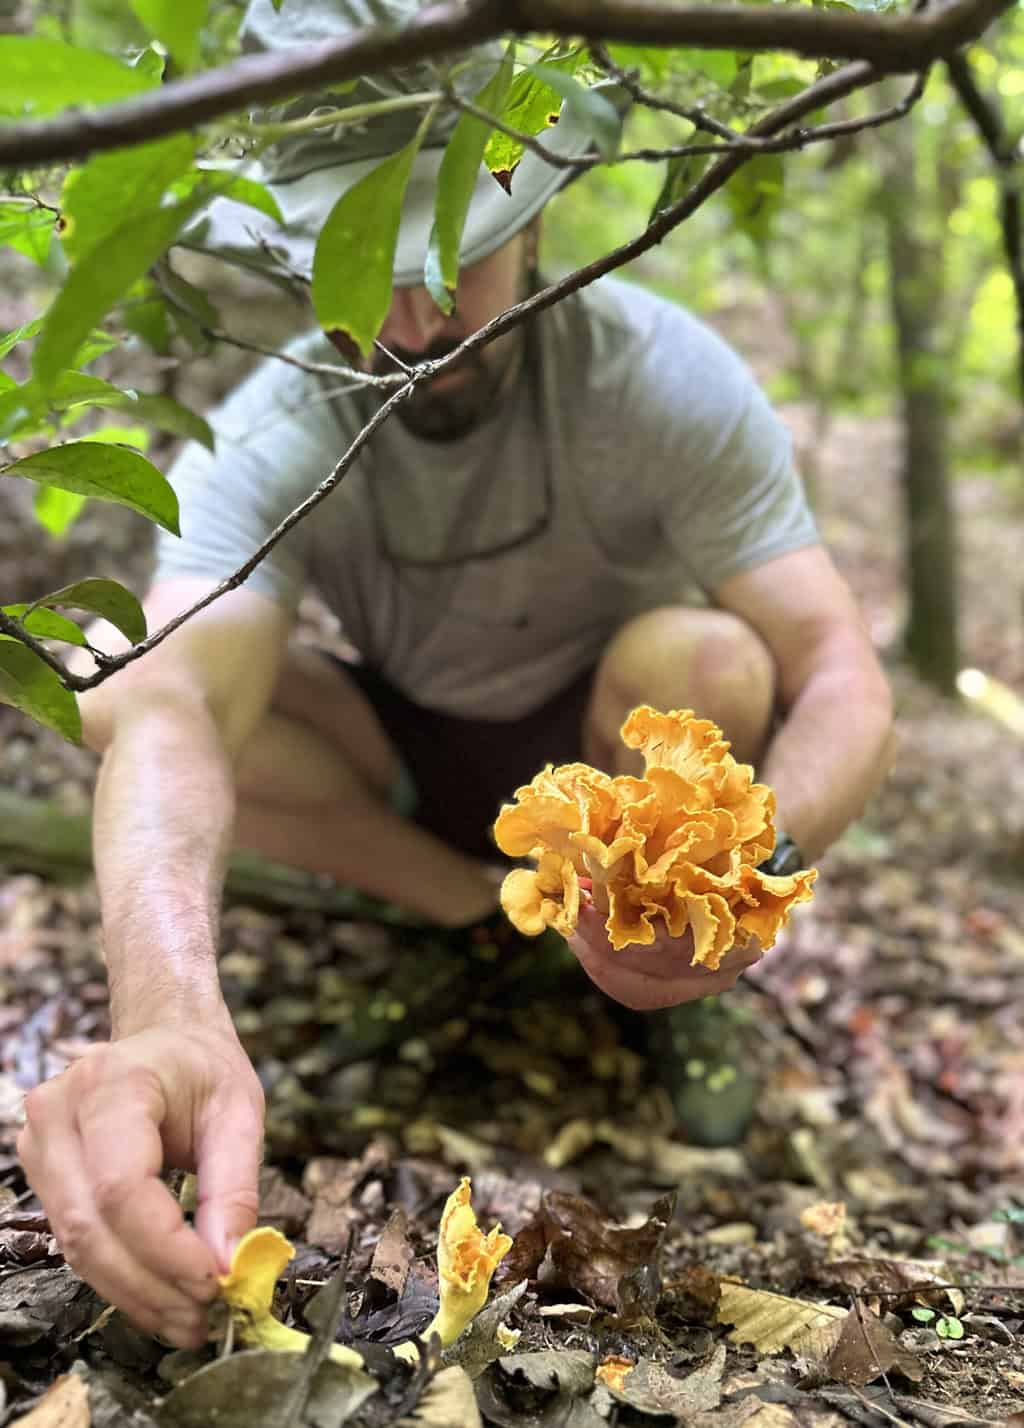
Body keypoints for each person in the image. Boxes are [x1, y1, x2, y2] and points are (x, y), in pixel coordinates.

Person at [18, 0, 894, 1354]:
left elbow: (836, 660)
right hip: (415, 769)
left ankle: (675, 969)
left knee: (710, 659)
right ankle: (486, 929)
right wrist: (166, 1012)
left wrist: (745, 864)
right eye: (368, 267)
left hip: (606, 763)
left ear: (531, 218)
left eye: (457, 257)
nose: (415, 316)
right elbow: (173, 698)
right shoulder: (282, 419)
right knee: (124, 680)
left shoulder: (658, 380)